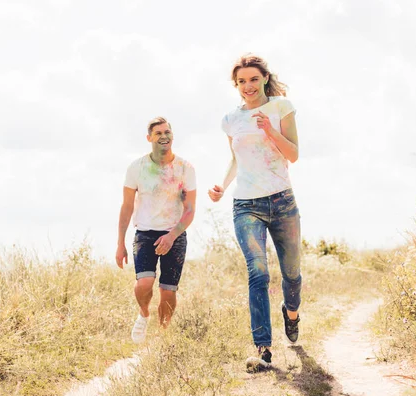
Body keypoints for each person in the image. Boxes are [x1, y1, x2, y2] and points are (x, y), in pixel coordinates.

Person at [208, 54, 302, 370]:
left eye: (253, 79)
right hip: (246, 204)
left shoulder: (281, 107)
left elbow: (294, 154)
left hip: (282, 201)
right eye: (241, 81)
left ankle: (292, 313)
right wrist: (221, 186)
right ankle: (262, 349)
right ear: (236, 85)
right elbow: (237, 159)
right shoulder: (230, 120)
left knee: (291, 274)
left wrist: (270, 131)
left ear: (264, 78)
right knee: (257, 273)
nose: (248, 86)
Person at [116, 117, 197, 344]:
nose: (164, 136)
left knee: (168, 291)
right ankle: (144, 314)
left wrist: (172, 236)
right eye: (159, 133)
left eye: (167, 132)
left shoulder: (185, 168)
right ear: (149, 138)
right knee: (144, 283)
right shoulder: (136, 168)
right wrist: (120, 243)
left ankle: (162, 336)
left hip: (175, 234)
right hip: (145, 233)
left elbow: (190, 210)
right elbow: (127, 206)